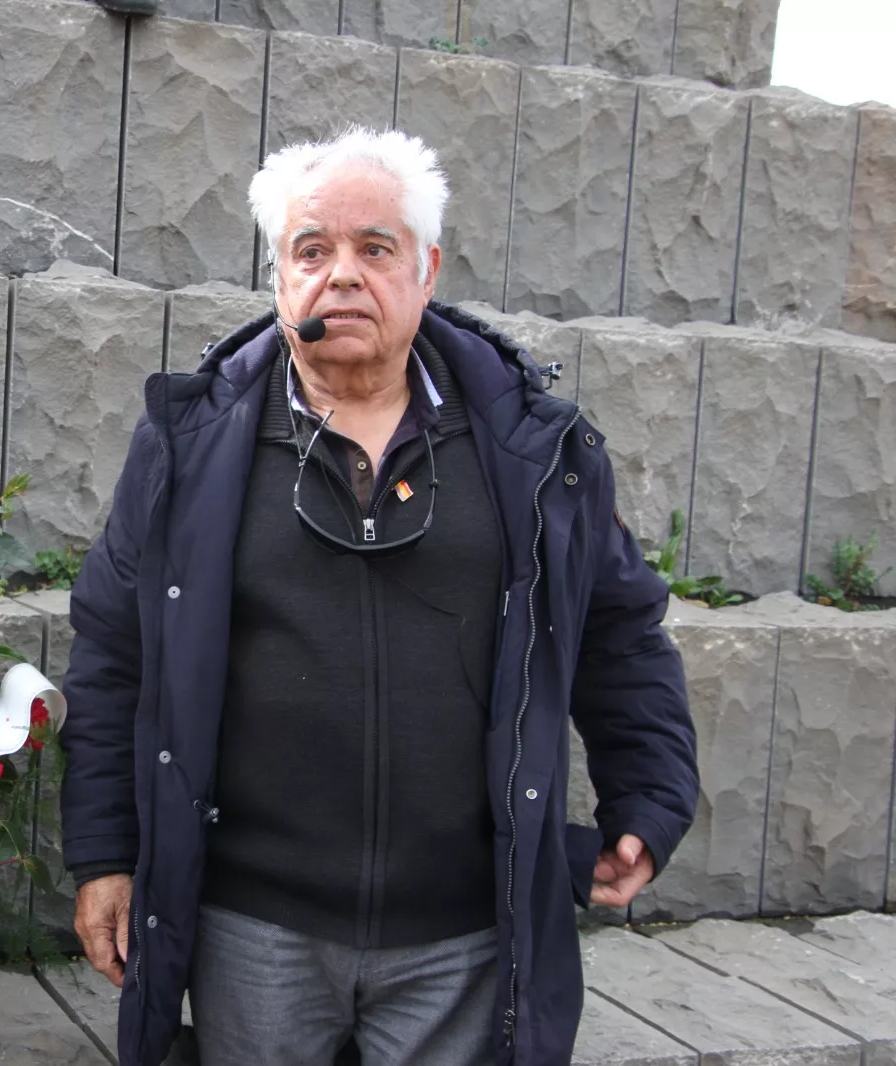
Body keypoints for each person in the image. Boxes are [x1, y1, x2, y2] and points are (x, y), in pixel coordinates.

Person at [57, 126, 699, 1066]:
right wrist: (105, 854)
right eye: (312, 251)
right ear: (279, 277)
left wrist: (649, 794)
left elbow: (619, 632)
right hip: (252, 928)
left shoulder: (535, 451)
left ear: (427, 269)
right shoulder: (188, 448)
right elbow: (115, 649)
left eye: (375, 248)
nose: (343, 275)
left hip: (465, 934)